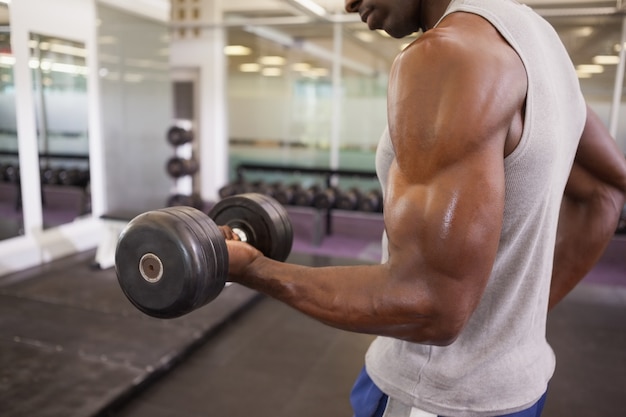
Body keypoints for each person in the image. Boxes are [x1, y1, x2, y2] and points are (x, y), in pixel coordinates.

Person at [222, 1, 626, 416]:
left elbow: (430, 307)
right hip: (520, 387)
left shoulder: (448, 54)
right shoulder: (537, 38)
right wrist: (510, 324)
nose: (346, 4)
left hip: (437, 398)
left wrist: (254, 269)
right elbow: (606, 189)